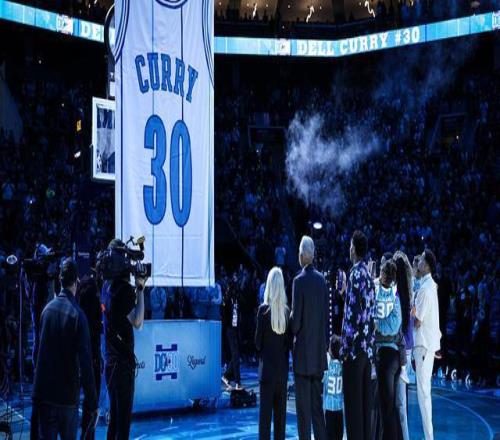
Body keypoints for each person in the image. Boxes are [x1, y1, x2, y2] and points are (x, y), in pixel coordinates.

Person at [32, 258, 97, 440]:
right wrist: (93, 404)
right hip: (67, 399)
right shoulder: (78, 316)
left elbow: (39, 355)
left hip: (45, 396)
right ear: (76, 282)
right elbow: (86, 365)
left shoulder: (46, 311)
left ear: (60, 280)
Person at [102, 239, 147, 440]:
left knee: (114, 420)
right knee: (122, 424)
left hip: (110, 363)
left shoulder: (106, 286)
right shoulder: (125, 290)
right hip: (122, 366)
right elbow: (138, 322)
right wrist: (140, 289)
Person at [339, 230, 376, 440]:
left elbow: (352, 317)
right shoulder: (369, 277)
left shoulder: (354, 275)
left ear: (353, 248)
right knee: (364, 409)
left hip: (353, 352)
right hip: (366, 352)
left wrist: (344, 350)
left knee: (353, 411)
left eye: (350, 245)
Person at [291, 236, 328, 440]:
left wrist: (289, 318)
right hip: (318, 357)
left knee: (303, 414)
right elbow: (326, 320)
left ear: (303, 255)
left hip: (303, 359)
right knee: (317, 410)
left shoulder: (299, 281)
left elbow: (295, 324)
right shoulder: (322, 281)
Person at [255, 267, 290, 440]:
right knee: (280, 422)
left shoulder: (263, 311)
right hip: (281, 374)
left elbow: (257, 343)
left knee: (265, 421)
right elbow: (287, 345)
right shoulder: (286, 311)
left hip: (267, 373)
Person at [412, 249, 441, 440]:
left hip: (422, 345)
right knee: (424, 393)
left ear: (428, 266)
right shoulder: (429, 285)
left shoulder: (425, 289)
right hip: (426, 345)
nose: (419, 262)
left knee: (423, 394)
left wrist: (411, 309)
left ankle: (429, 437)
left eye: (422, 260)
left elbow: (417, 321)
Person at [374, 259, 402, 440]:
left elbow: (374, 322)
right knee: (390, 406)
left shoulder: (375, 293)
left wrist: (378, 326)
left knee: (386, 407)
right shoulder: (395, 296)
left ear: (383, 275)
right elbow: (395, 325)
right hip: (394, 353)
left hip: (383, 355)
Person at [77, 271, 103, 440]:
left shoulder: (78, 312)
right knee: (91, 406)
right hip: (92, 358)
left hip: (82, 358)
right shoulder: (93, 308)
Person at [393, 251, 414, 440]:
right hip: (407, 350)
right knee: (401, 403)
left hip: (399, 350)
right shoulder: (409, 292)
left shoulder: (397, 295)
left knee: (399, 403)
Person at [222, 273, 242, 390]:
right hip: (230, 329)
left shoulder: (236, 298)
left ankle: (226, 376)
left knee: (236, 355)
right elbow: (225, 315)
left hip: (236, 328)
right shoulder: (227, 298)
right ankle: (238, 382)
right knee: (235, 355)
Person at [323, 335, 344, 440]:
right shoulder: (342, 365)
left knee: (329, 436)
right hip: (339, 408)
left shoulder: (328, 363)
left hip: (329, 408)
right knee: (338, 435)